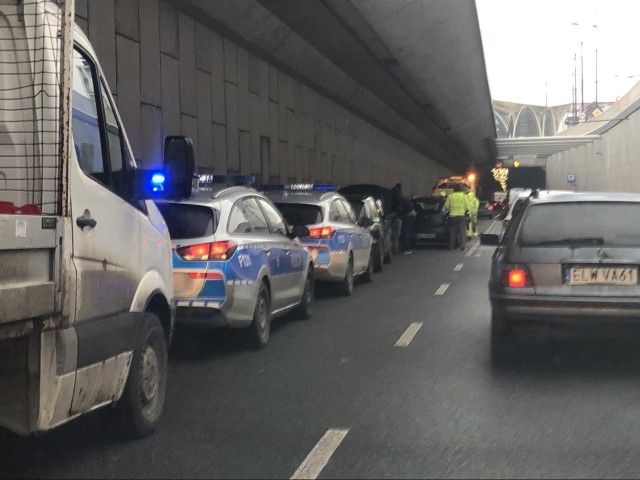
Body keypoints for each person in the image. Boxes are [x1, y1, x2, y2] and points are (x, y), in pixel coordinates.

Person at [444, 183, 469, 251]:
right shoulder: (464, 196)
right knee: (461, 232)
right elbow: (467, 206)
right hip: (461, 216)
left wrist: (447, 210)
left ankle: (451, 246)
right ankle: (462, 247)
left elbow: (446, 207)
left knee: (452, 232)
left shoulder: (450, 196)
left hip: (452, 217)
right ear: (461, 189)